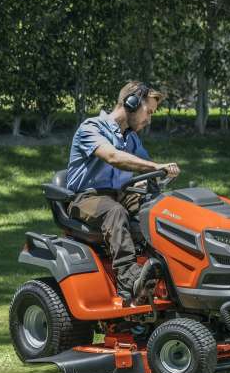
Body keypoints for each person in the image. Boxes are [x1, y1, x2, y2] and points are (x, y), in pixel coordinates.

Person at [65, 81, 181, 304]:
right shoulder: (91, 128)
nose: (149, 119)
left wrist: (161, 173)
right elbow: (113, 157)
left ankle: (169, 271)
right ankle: (130, 282)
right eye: (148, 112)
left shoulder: (131, 138)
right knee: (115, 212)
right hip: (86, 198)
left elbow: (145, 164)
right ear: (132, 103)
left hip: (120, 193)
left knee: (158, 208)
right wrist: (155, 166)